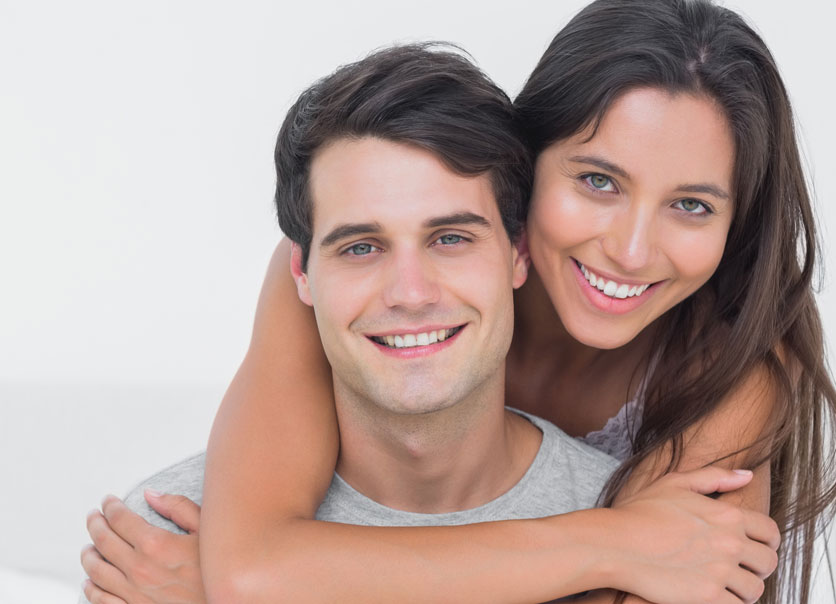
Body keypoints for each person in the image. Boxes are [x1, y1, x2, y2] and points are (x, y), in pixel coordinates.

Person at [83, 0, 836, 602]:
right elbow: (257, 570)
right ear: (524, 166)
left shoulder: (730, 369)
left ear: (738, 221)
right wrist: (613, 541)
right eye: (598, 182)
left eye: (693, 206)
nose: (632, 251)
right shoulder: (346, 283)